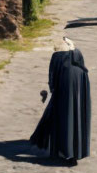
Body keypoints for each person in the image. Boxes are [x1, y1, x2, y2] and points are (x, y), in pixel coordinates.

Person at [30, 37, 91, 165]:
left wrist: (53, 90)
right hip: (81, 83)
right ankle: (77, 150)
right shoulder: (78, 55)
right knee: (77, 114)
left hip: (65, 84)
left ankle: (63, 150)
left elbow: (52, 76)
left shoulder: (57, 56)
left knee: (63, 116)